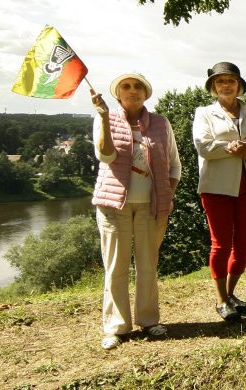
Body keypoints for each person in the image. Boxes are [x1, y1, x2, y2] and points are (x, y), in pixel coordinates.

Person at [89, 73, 182, 350]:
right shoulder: (104, 118)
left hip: (150, 208)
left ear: (146, 93)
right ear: (118, 94)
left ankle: (149, 320)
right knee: (116, 266)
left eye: (138, 86)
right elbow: (105, 155)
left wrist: (167, 194)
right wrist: (105, 117)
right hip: (113, 205)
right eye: (126, 87)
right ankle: (115, 327)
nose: (132, 91)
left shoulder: (161, 124)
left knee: (147, 265)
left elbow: (174, 166)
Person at [192, 62, 246, 322]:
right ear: (213, 87)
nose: (226, 85)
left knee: (245, 244)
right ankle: (221, 300)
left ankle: (231, 292)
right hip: (216, 188)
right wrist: (245, 144)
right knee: (221, 244)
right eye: (220, 81)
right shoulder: (204, 114)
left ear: (239, 85)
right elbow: (204, 148)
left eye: (231, 80)